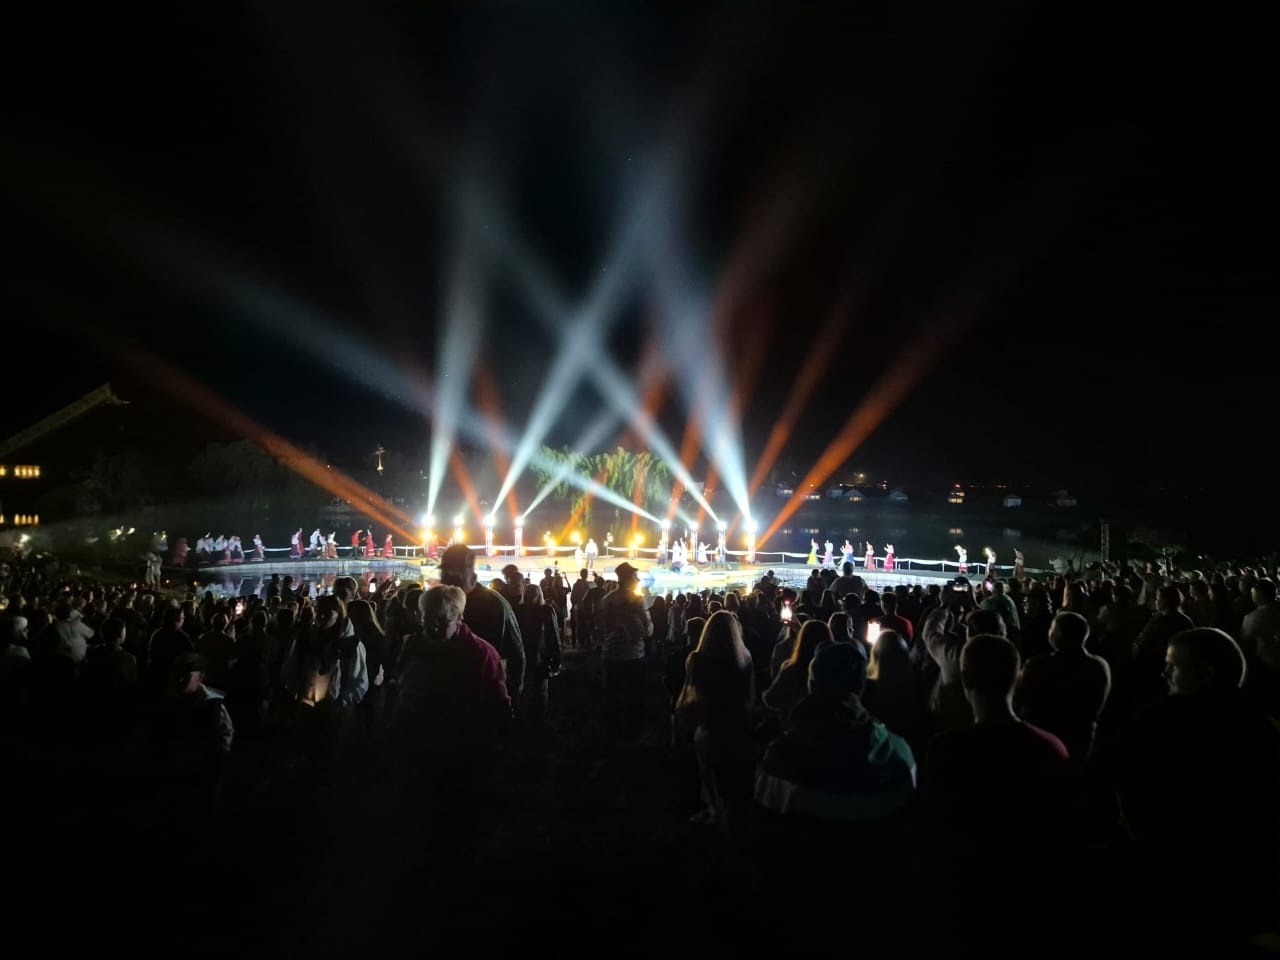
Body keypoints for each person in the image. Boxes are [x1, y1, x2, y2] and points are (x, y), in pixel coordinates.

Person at [675, 611, 756, 826]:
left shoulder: (697, 659)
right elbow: (750, 693)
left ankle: (714, 810)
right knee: (731, 772)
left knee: (708, 770)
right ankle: (728, 813)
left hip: (709, 723)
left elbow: (692, 692)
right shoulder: (745, 657)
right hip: (737, 721)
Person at [1014, 611, 1110, 764]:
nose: (1049, 631)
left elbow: (1021, 700)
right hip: (1082, 738)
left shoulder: (1038, 666)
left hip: (1044, 740)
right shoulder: (1099, 666)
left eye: (1052, 628)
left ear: (1058, 634)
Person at [438, 545, 526, 705]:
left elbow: (515, 656)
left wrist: (510, 700)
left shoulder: (494, 605)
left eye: (456, 576)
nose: (448, 582)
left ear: (473, 575)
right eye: (445, 575)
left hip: (483, 698)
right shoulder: (441, 604)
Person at [595, 562, 652, 743]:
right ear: (628, 578)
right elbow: (646, 630)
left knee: (612, 698)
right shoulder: (637, 600)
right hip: (633, 656)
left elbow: (599, 628)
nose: (638, 580)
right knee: (634, 697)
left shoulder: (606, 600)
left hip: (610, 655)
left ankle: (612, 734)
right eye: (636, 577)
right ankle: (633, 734)